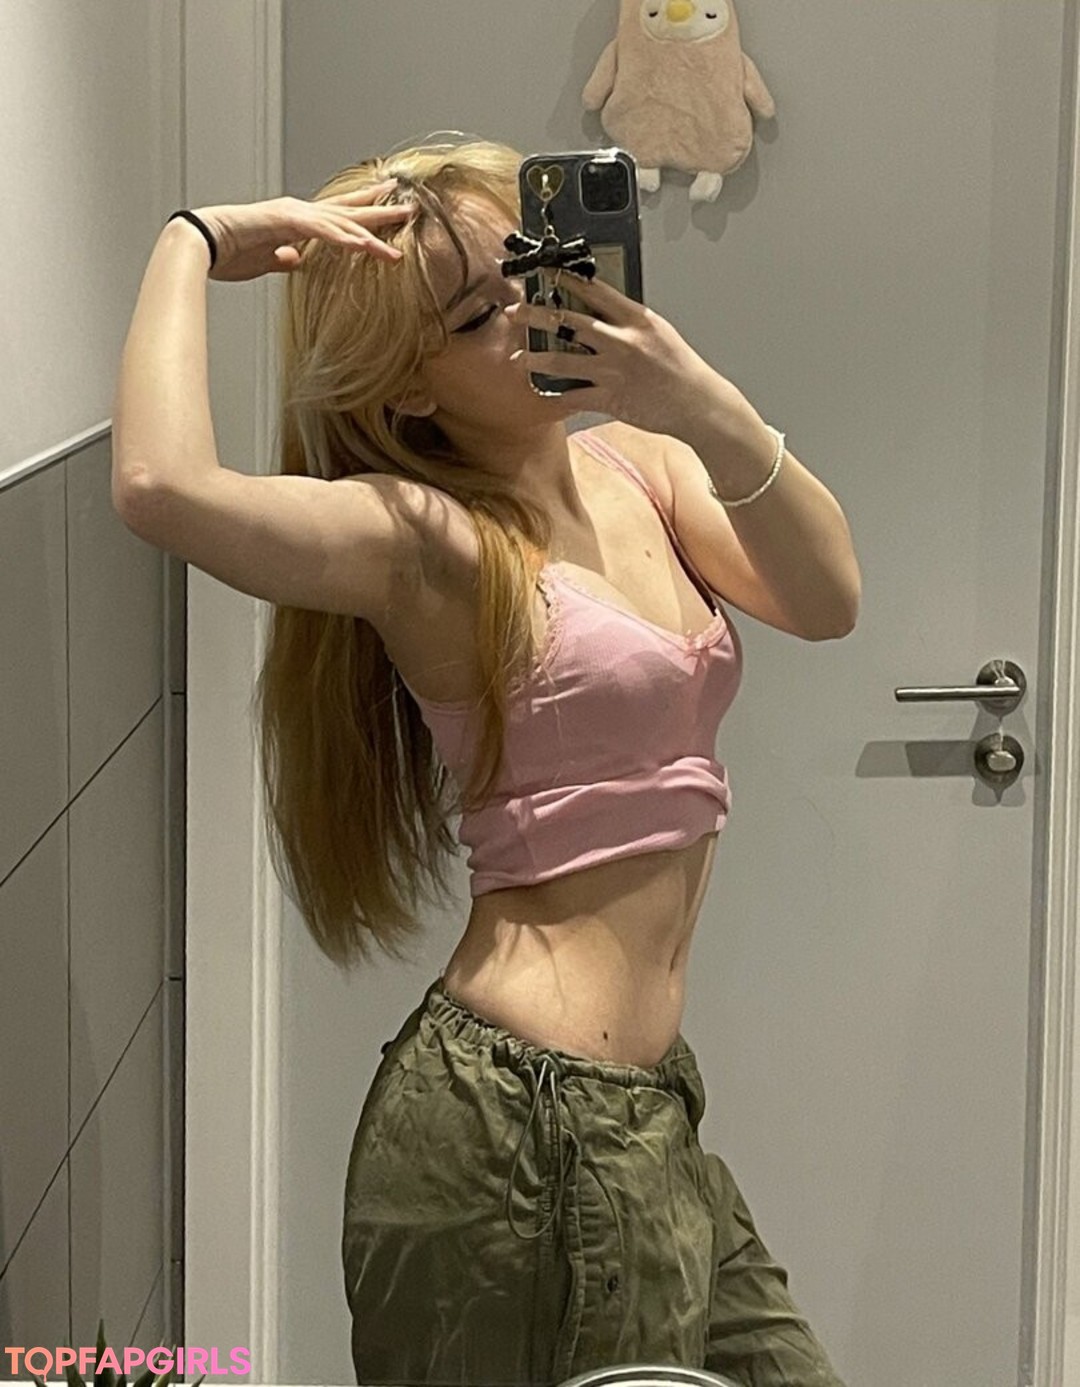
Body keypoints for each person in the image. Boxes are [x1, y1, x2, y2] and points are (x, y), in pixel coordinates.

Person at [113, 137, 859, 1387]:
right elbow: (159, 487)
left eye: (529, 266)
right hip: (520, 1129)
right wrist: (190, 242)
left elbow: (828, 597)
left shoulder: (647, 468)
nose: (528, 308)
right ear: (411, 388)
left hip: (646, 1111)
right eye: (476, 315)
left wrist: (696, 399)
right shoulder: (428, 542)